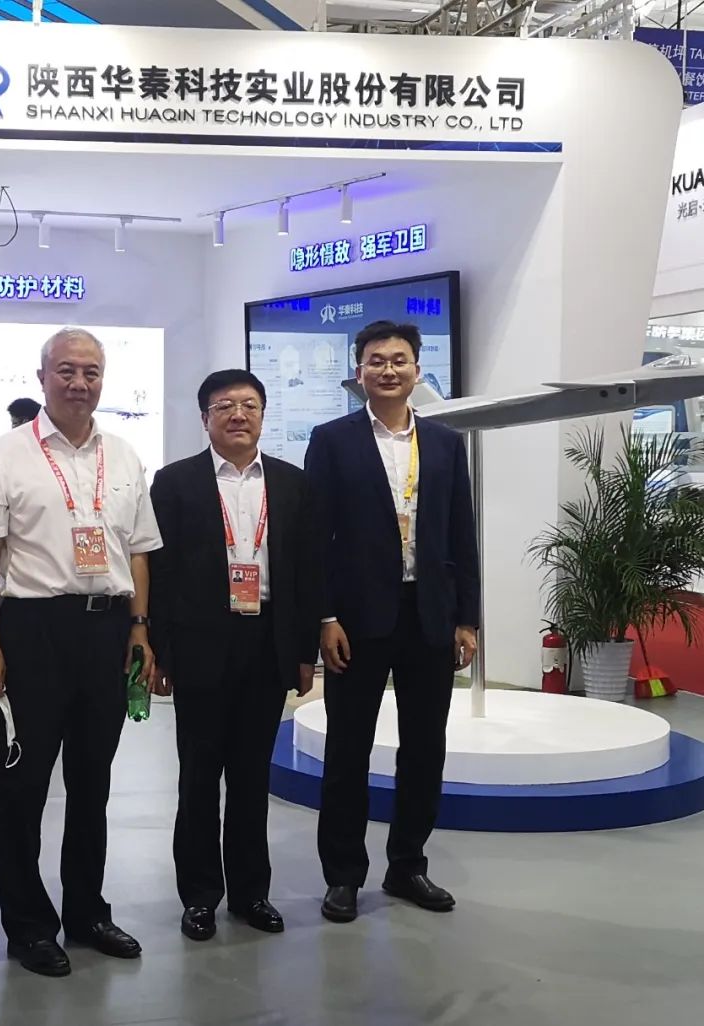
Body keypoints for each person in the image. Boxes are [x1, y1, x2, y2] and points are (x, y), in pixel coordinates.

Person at [0, 328, 161, 978]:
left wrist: (139, 629)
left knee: (93, 782)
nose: (79, 383)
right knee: (23, 784)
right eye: (66, 370)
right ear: (42, 377)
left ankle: (87, 911)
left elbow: (137, 551)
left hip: (107, 630)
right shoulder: (5, 455)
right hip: (33, 631)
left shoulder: (124, 454)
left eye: (91, 372)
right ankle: (28, 924)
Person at [304, 320, 480, 925]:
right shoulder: (332, 440)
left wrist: (467, 618)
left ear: (417, 370)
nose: (388, 369)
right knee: (347, 750)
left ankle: (407, 864)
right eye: (376, 360)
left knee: (425, 748)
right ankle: (343, 875)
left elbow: (461, 534)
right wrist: (325, 615)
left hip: (429, 615)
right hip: (356, 619)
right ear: (359, 372)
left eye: (399, 360)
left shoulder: (446, 443)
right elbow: (316, 539)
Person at [149, 369, 319, 943]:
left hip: (266, 641)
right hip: (201, 643)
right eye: (224, 406)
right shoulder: (174, 483)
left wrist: (303, 651)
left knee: (251, 778)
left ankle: (251, 893)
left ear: (263, 415)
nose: (238, 415)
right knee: (198, 778)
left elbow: (305, 573)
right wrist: (162, 651)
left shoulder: (292, 484)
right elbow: (162, 572)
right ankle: (199, 896)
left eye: (249, 405)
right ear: (206, 419)